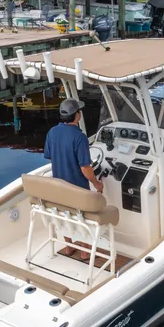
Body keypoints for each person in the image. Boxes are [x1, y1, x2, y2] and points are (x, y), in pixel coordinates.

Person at [44, 99, 103, 258]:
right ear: (77, 115)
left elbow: (51, 157)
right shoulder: (79, 137)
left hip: (59, 187)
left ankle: (69, 248)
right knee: (83, 217)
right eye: (79, 111)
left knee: (64, 216)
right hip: (78, 189)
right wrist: (97, 184)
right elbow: (85, 167)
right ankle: (85, 251)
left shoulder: (52, 132)